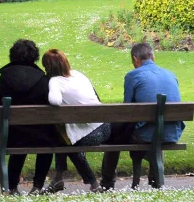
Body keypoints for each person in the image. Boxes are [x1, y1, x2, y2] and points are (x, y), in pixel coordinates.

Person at [100, 42, 186, 190]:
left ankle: (107, 183)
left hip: (145, 135)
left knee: (112, 137)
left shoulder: (133, 75)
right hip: (172, 133)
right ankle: (155, 180)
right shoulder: (170, 74)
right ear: (153, 56)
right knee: (156, 130)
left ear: (135, 59)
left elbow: (126, 111)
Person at [0, 39, 59, 195]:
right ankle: (37, 186)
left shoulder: (4, 77)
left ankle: (11, 187)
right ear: (35, 56)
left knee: (18, 136)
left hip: (11, 136)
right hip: (40, 136)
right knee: (46, 140)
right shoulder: (42, 79)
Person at [43, 49, 109, 193]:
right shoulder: (78, 74)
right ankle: (57, 179)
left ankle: (93, 184)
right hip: (105, 127)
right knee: (63, 140)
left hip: (91, 134)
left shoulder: (55, 81)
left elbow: (55, 101)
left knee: (69, 147)